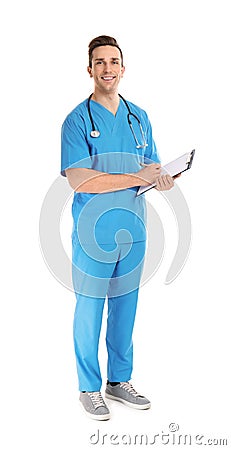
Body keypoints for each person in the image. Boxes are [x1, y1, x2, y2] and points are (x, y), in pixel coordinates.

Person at [61, 35, 175, 421]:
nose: (107, 68)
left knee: (126, 310)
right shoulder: (78, 120)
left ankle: (118, 381)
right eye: (100, 62)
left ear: (123, 68)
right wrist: (133, 176)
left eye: (114, 61)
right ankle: (88, 389)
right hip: (94, 233)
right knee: (89, 311)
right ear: (89, 69)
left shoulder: (138, 116)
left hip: (134, 230)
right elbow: (79, 179)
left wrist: (163, 178)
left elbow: (151, 168)